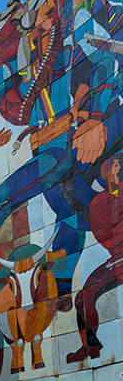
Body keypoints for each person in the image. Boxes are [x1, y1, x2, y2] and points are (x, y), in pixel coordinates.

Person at [67, 154, 123, 362]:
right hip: (117, 260)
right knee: (83, 298)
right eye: (116, 166)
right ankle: (90, 348)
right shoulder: (98, 203)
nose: (120, 169)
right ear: (107, 172)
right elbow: (105, 237)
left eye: (119, 166)